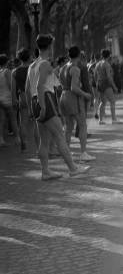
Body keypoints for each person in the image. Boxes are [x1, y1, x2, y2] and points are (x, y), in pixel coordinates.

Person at [25, 34, 89, 180]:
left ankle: (46, 171)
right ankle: (73, 169)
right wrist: (42, 106)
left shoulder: (32, 66)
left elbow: (28, 89)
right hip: (45, 100)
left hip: (36, 101)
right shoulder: (45, 64)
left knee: (44, 140)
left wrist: (32, 108)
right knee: (59, 135)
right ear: (49, 47)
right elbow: (40, 86)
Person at [59, 46, 95, 162]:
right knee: (82, 125)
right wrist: (86, 95)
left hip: (63, 96)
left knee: (68, 126)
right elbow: (74, 88)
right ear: (79, 55)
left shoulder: (63, 68)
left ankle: (66, 151)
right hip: (73, 98)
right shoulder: (75, 69)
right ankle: (83, 153)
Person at [94, 49, 123, 125]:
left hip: (99, 84)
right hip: (106, 84)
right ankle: (114, 119)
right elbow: (109, 77)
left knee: (102, 102)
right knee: (112, 101)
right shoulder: (106, 64)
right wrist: (114, 86)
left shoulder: (98, 64)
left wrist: (97, 83)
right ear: (109, 55)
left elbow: (95, 75)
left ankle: (100, 120)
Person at [12, 48, 33, 151]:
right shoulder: (32, 69)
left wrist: (14, 99)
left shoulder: (15, 71)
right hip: (33, 97)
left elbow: (13, 88)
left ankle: (23, 143)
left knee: (23, 122)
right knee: (36, 122)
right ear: (28, 57)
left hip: (22, 97)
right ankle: (39, 145)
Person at [0, 54, 19, 148]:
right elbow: (11, 86)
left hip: (1, 99)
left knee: (2, 121)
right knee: (13, 119)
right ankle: (17, 139)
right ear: (6, 62)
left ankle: (1, 140)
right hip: (8, 99)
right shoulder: (7, 71)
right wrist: (14, 98)